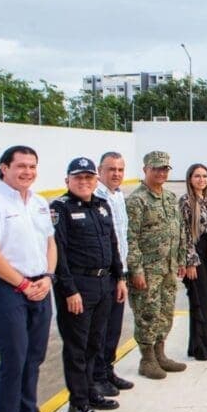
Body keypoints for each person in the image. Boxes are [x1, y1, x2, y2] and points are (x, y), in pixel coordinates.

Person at [0, 145, 56, 412]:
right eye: (21, 166)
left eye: (32, 166)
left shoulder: (39, 202)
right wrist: (22, 285)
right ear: (4, 168)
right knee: (13, 362)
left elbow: (50, 243)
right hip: (5, 292)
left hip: (40, 287)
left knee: (33, 359)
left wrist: (47, 277)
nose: (27, 172)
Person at [51, 157, 125, 412]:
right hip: (78, 287)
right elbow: (58, 253)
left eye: (88, 178)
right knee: (77, 347)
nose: (84, 182)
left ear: (95, 180)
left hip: (104, 283)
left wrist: (119, 278)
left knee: (96, 342)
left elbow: (113, 243)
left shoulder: (102, 206)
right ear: (67, 181)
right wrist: (69, 291)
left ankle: (91, 390)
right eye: (78, 178)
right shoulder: (60, 208)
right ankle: (78, 403)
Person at [126, 150, 191, 380]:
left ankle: (160, 354)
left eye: (164, 169)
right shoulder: (137, 200)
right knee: (147, 314)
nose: (161, 172)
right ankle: (147, 359)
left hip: (169, 267)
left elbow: (179, 232)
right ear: (145, 170)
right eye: (156, 168)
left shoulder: (170, 198)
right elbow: (130, 238)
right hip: (148, 270)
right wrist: (136, 270)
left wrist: (181, 260)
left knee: (165, 312)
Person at [91, 152, 135, 396]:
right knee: (100, 328)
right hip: (102, 274)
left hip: (119, 272)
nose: (116, 174)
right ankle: (97, 377)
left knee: (114, 327)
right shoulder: (94, 197)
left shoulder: (118, 196)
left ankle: (108, 371)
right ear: (100, 171)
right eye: (111, 169)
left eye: (120, 169)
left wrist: (123, 274)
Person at [179, 163, 207, 358]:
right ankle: (202, 348)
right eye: (197, 176)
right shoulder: (186, 202)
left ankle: (198, 344)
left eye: (205, 176)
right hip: (194, 256)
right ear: (190, 179)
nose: (201, 180)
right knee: (199, 301)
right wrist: (189, 261)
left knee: (206, 301)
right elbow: (184, 234)